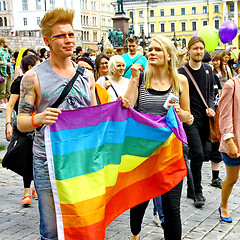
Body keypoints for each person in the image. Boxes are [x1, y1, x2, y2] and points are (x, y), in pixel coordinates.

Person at [17, 8, 97, 240]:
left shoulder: (86, 75)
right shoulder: (33, 77)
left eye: (71, 35)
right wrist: (38, 118)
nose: (68, 40)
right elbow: (21, 123)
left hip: (80, 159)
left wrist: (118, 109)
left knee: (81, 223)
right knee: (51, 230)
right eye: (60, 36)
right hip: (47, 161)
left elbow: (93, 116)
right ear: (47, 41)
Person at [124, 36, 191, 240]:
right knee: (140, 200)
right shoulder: (142, 79)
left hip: (171, 151)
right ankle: (135, 233)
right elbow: (126, 106)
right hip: (144, 151)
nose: (151, 52)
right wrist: (134, 79)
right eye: (150, 49)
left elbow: (188, 116)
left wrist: (180, 113)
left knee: (172, 207)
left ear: (169, 55)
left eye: (157, 50)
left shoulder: (179, 81)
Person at [178, 37, 215, 208]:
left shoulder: (208, 70)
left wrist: (211, 107)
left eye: (201, 48)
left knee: (201, 154)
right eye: (195, 48)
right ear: (189, 50)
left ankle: (191, 187)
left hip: (204, 119)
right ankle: (198, 192)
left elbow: (210, 93)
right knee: (198, 154)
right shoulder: (182, 72)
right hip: (189, 119)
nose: (199, 51)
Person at [6, 55, 40, 206]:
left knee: (37, 157)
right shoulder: (19, 83)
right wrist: (8, 124)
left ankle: (35, 189)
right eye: (38, 65)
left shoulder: (40, 81)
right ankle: (27, 192)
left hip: (38, 125)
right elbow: (10, 104)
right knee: (25, 157)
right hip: (23, 126)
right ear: (30, 67)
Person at [218, 74, 240, 223]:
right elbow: (224, 115)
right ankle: (223, 205)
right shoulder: (231, 85)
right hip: (235, 141)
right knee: (232, 178)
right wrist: (230, 141)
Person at [202, 52, 223, 189]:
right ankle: (194, 183)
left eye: (210, 62)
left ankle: (215, 178)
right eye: (207, 62)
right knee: (199, 152)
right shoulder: (198, 78)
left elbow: (220, 94)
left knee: (216, 149)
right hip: (201, 118)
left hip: (215, 117)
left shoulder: (214, 77)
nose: (210, 65)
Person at [0, 38, 13, 110]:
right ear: (2, 43)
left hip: (8, 72)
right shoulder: (0, 51)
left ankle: (5, 102)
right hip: (2, 72)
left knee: (8, 88)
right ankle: (2, 103)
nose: (7, 44)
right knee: (2, 88)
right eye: (6, 42)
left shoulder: (7, 51)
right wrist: (6, 63)